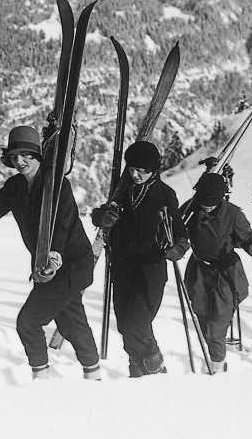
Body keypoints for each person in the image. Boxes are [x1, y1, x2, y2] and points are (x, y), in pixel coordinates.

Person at [0, 126, 101, 380]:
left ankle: (41, 379)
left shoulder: (56, 184)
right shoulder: (14, 186)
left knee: (28, 322)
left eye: (26, 155)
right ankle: (93, 375)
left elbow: (61, 225)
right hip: (46, 266)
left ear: (37, 155)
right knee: (71, 321)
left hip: (70, 263)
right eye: (15, 156)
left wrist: (54, 256)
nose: (20, 161)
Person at [95, 141, 188, 377]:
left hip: (150, 270)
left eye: (141, 171)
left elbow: (179, 228)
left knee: (136, 324)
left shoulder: (164, 194)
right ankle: (136, 371)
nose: (135, 175)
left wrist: (180, 246)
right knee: (124, 325)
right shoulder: (122, 190)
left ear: (153, 170)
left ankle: (156, 368)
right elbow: (104, 211)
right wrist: (101, 217)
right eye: (132, 169)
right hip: (122, 267)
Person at [181, 173, 252, 374]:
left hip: (225, 275)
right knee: (202, 318)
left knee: (216, 325)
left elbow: (247, 237)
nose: (207, 206)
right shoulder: (191, 209)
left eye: (211, 203)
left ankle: (217, 367)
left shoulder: (233, 214)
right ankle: (215, 358)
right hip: (199, 272)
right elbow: (177, 230)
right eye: (204, 202)